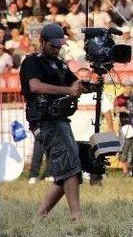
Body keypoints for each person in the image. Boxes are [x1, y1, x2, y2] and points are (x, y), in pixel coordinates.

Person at [19, 23, 86, 220]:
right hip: (43, 120)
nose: (56, 49)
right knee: (70, 167)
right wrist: (68, 90)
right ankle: (76, 216)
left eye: (59, 46)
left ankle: (40, 216)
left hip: (60, 119)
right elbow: (36, 86)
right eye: (53, 45)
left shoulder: (61, 64)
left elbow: (74, 82)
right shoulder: (32, 62)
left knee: (67, 168)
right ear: (42, 41)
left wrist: (86, 83)